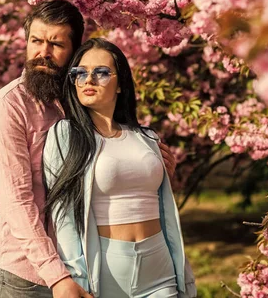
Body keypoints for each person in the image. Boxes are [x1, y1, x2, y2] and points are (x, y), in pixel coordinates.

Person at [0, 1, 177, 298]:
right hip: (26, 277)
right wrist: (57, 277)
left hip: (86, 271)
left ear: (74, 52)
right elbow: (16, 203)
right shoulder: (7, 108)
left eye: (56, 44)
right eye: (36, 41)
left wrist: (156, 170)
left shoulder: (77, 105)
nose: (43, 52)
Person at [43, 38, 197, 298]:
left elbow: (158, 198)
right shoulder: (66, 134)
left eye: (101, 72)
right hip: (105, 271)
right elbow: (63, 214)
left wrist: (164, 178)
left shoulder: (147, 137)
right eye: (80, 73)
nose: (88, 80)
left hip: (159, 267)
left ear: (121, 84)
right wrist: (74, 274)